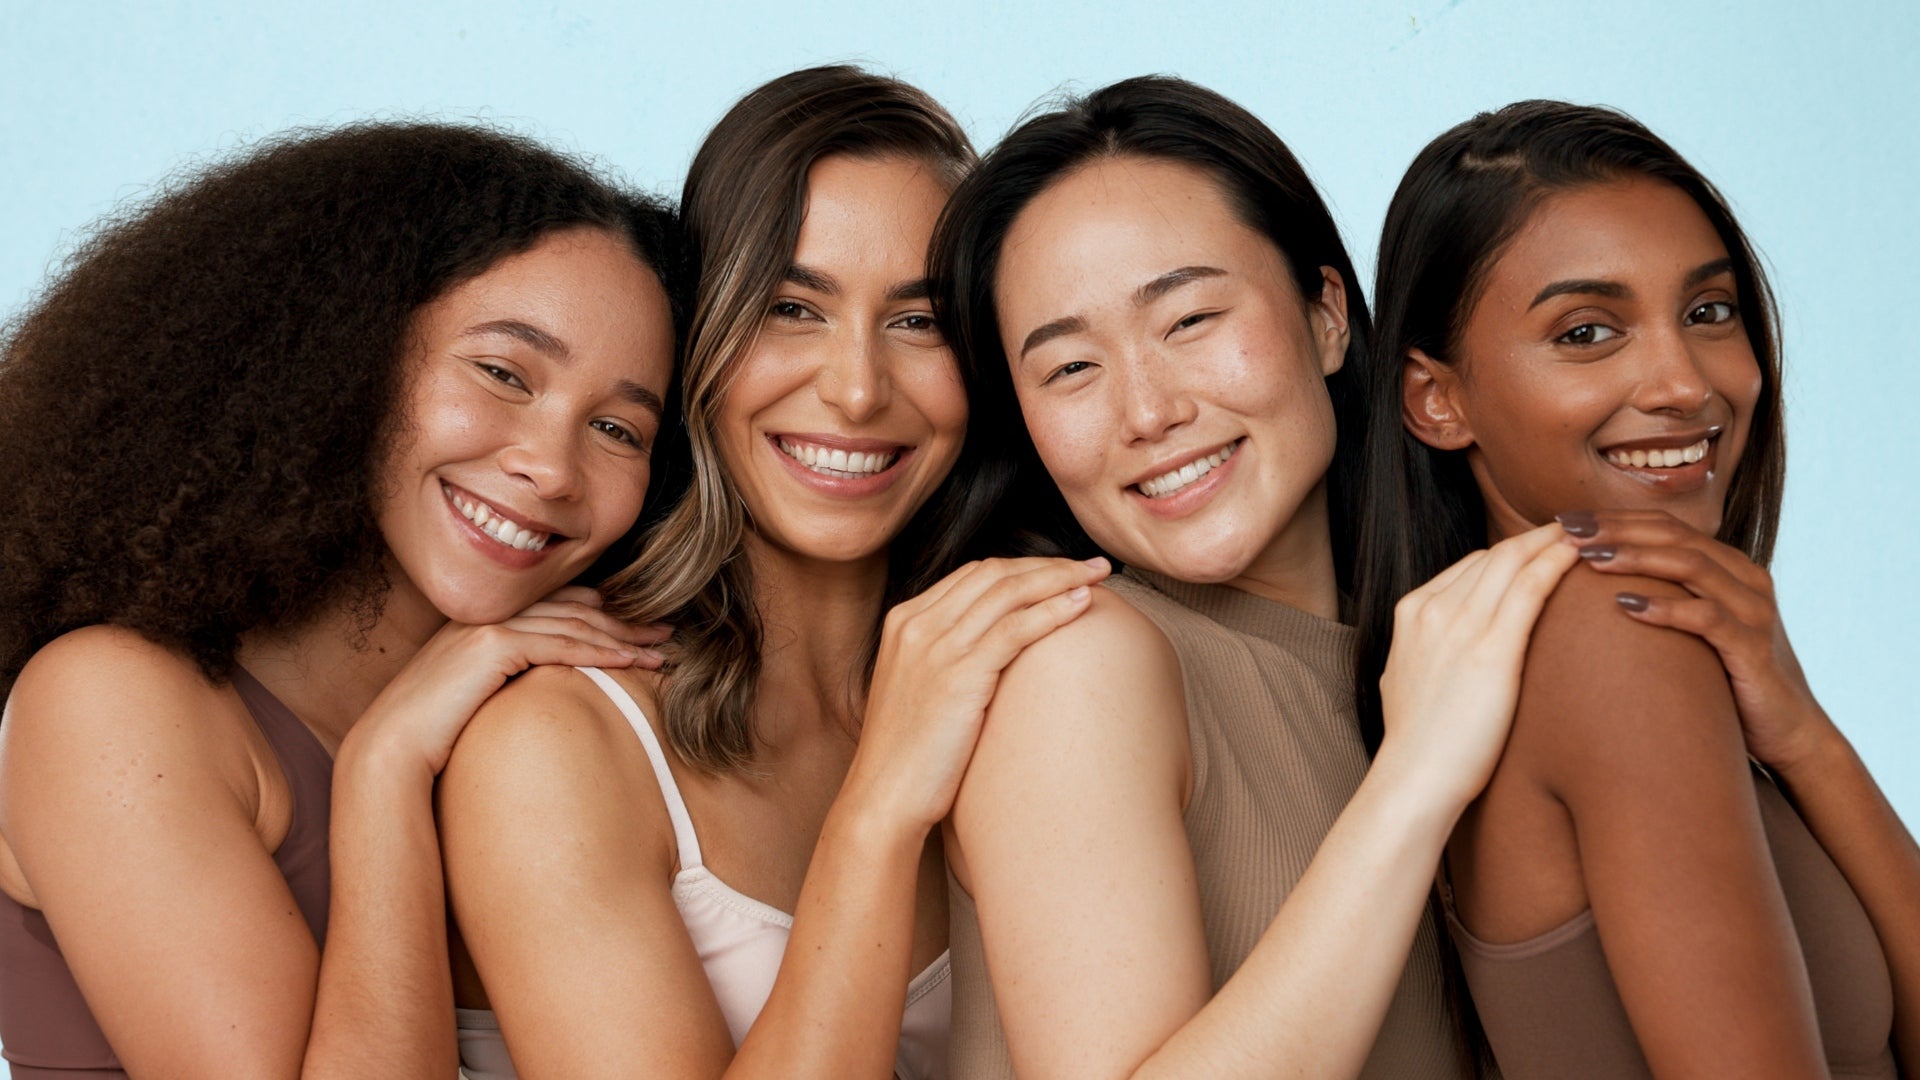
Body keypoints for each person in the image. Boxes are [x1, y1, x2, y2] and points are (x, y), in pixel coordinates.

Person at [439, 65, 1106, 1080]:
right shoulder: (555, 744)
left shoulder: (1032, 678)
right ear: (697, 332)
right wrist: (880, 808)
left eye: (918, 321)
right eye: (793, 309)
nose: (853, 389)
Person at [0, 123, 685, 1078]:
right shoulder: (109, 701)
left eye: (617, 427)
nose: (551, 466)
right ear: (347, 354)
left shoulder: (538, 720)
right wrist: (385, 767)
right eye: (501, 373)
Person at [928, 76, 1579, 1079]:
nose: (1147, 410)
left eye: (1188, 320)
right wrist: (1415, 784)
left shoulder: (1440, 646)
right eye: (1070, 369)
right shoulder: (1076, 666)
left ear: (1325, 318)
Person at [1354, 100, 1920, 1078]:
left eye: (1708, 312)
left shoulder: (1589, 640)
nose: (1682, 384)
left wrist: (1807, 738)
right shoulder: (1612, 630)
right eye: (1586, 332)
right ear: (1436, 400)